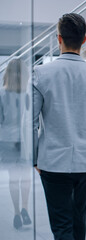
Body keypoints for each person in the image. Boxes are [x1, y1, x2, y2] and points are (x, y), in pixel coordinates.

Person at [33, 13, 86, 240]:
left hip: (52, 163)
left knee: (61, 226)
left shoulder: (41, 74)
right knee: (78, 222)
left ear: (59, 39)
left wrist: (35, 158)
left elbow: (29, 122)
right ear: (85, 39)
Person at [0, 58, 32, 230]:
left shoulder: (1, 94)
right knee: (25, 177)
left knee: (13, 179)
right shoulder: (27, 94)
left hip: (7, 141)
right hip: (25, 141)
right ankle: (25, 207)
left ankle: (16, 213)